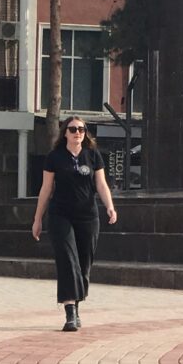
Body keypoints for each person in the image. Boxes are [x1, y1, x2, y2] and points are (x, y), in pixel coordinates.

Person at [31, 116, 117, 331]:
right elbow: (46, 189)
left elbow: (101, 184)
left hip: (88, 216)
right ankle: (70, 312)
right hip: (61, 215)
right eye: (73, 129)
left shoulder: (93, 155)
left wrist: (109, 206)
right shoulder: (55, 157)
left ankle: (77, 305)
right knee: (68, 260)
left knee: (84, 264)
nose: (77, 132)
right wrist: (37, 218)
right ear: (65, 133)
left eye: (81, 129)